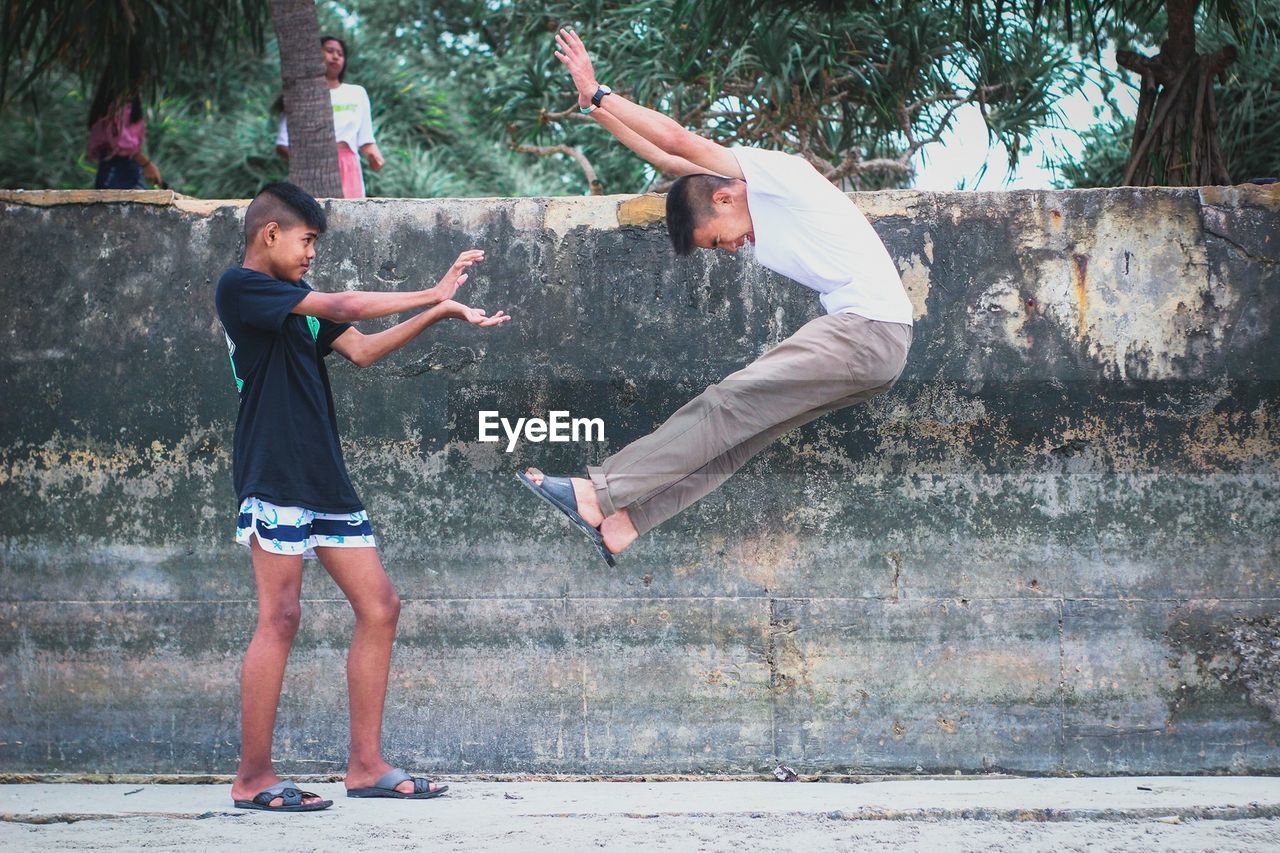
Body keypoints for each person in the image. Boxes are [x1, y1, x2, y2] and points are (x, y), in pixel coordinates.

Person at [518, 29, 913, 566]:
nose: (729, 249)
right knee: (742, 433)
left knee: (726, 403)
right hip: (879, 348)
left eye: (715, 238)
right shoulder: (750, 199)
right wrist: (595, 109)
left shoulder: (785, 176)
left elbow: (681, 141)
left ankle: (596, 494)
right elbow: (671, 163)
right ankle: (625, 523)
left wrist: (603, 91)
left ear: (725, 196)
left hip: (863, 331)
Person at [216, 181, 508, 812]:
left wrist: (437, 313)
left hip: (323, 475)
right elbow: (345, 303)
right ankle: (253, 779)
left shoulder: (295, 302)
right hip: (273, 472)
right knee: (281, 617)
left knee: (380, 606)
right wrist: (431, 288)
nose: (311, 252)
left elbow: (364, 349)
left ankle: (366, 765)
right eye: (307, 240)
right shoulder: (243, 289)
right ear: (270, 234)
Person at [275, 35, 385, 199]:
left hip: (349, 167)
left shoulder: (356, 93)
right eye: (329, 51)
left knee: (349, 221)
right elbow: (282, 145)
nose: (335, 57)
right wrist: (310, 163)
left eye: (340, 54)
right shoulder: (302, 95)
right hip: (313, 171)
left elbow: (366, 140)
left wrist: (375, 158)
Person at [86, 88, 162, 190]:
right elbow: (120, 140)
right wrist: (146, 164)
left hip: (129, 170)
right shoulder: (116, 104)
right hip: (114, 170)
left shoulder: (130, 101)